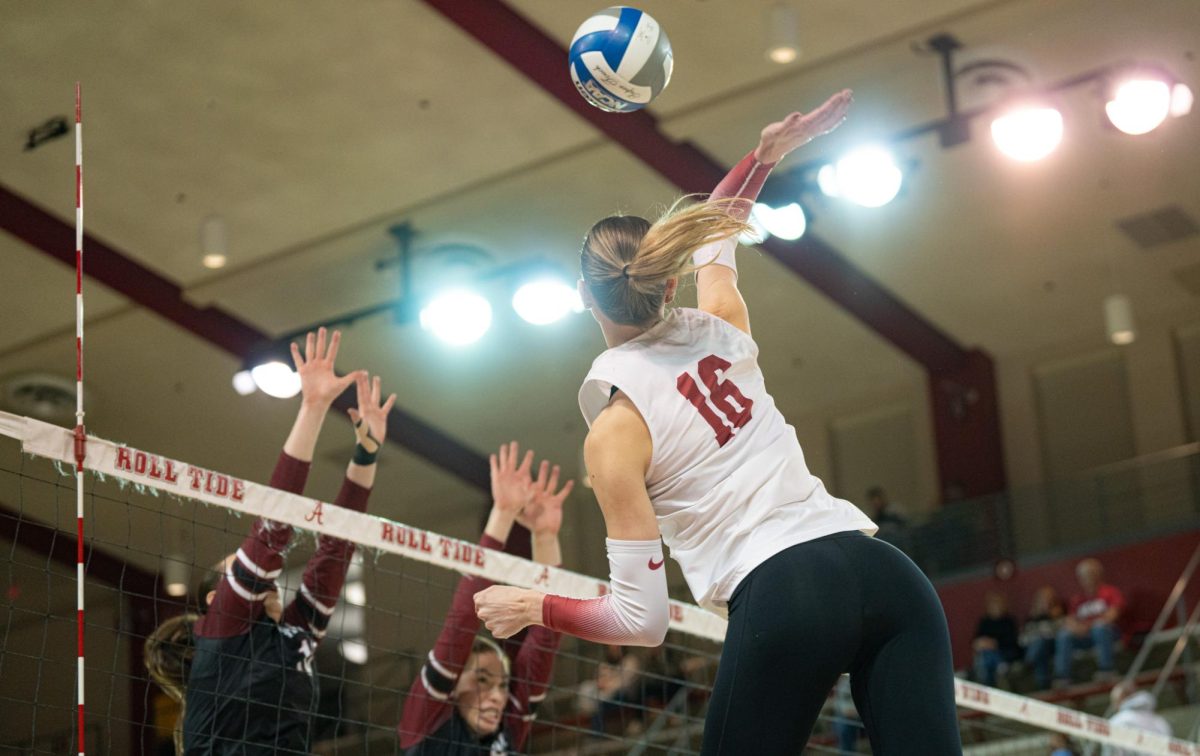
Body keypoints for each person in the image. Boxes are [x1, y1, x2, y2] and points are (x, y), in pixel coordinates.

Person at [472, 91, 962, 755]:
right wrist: (763, 157)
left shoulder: (616, 432)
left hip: (786, 594)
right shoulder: (721, 321)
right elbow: (721, 222)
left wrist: (536, 606)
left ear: (584, 296)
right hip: (888, 576)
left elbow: (640, 619)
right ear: (671, 283)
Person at [144, 328, 395, 755]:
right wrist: (313, 408)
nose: (252, 571)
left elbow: (336, 551)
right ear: (214, 600)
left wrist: (366, 454)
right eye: (236, 569)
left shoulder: (293, 634)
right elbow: (271, 531)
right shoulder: (222, 628)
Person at [397, 441, 568, 754]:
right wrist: (502, 515)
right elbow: (463, 618)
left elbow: (547, 636)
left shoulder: (507, 729)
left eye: (502, 685)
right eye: (483, 680)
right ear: (452, 688)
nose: (497, 696)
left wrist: (544, 537)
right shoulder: (427, 720)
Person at [1055, 558, 1125, 686]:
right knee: (1064, 635)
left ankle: (1106, 670)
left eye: (1090, 574)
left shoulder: (1110, 592)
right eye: (1083, 576)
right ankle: (1063, 677)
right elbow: (1070, 621)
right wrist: (1078, 628)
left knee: (1100, 628)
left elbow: (1112, 615)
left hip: (1108, 633)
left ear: (1098, 574)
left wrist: (1087, 626)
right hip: (1085, 636)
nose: (1087, 578)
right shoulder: (1077, 599)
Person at [1101, 681, 1172, 756]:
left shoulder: (1118, 721)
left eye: (1115, 702)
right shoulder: (1161, 722)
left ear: (1120, 699)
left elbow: (1111, 751)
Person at [972, 592, 1021, 687]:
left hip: (1006, 652)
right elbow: (976, 640)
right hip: (987, 653)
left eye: (997, 604)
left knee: (988, 657)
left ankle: (995, 675)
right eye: (992, 605)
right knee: (985, 657)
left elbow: (1012, 641)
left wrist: (995, 643)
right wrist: (981, 643)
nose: (995, 607)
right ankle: (996, 674)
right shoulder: (984, 622)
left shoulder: (1008, 621)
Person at [1021, 585, 1065, 689]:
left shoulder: (1059, 612)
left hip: (1054, 645)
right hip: (1037, 647)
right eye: (1043, 599)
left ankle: (1029, 660)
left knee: (1041, 643)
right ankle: (1043, 684)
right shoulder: (1031, 618)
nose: (1046, 602)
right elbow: (1023, 639)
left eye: (1049, 599)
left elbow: (1060, 631)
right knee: (1040, 649)